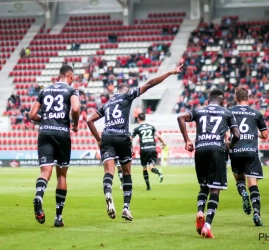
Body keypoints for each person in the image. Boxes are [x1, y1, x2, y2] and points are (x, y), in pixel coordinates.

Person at [87, 65, 183, 221]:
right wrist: (169, 72)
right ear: (127, 90)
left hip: (107, 136)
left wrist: (99, 140)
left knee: (109, 172)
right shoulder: (127, 95)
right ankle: (126, 208)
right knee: (126, 173)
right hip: (122, 137)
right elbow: (150, 83)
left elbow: (89, 120)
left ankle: (108, 193)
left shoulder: (107, 104)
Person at [177, 89, 240, 238]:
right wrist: (229, 145)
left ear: (208, 101)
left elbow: (180, 117)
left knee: (203, 186)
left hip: (200, 149)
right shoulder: (227, 113)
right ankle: (207, 226)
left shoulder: (199, 111)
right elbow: (237, 134)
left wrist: (187, 140)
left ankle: (200, 211)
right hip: (216, 150)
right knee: (215, 189)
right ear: (223, 101)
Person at [29, 65, 80, 227]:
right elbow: (76, 108)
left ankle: (39, 196)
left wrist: (45, 120)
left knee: (45, 171)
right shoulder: (71, 90)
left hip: (44, 133)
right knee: (62, 176)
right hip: (61, 134)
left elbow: (31, 114)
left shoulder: (44, 90)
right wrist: (76, 124)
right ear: (70, 76)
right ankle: (58, 217)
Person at [228, 87, 268, 226]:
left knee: (240, 179)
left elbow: (225, 132)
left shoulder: (230, 112)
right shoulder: (256, 113)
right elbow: (265, 135)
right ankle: (256, 213)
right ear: (248, 98)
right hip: (251, 152)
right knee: (253, 185)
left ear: (235, 98)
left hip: (235, 151)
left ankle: (243, 192)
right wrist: (252, 132)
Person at [131, 113, 166, 190]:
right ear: (145, 118)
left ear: (138, 119)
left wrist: (132, 149)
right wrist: (163, 143)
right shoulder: (151, 127)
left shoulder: (137, 128)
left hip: (144, 149)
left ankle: (148, 187)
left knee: (144, 168)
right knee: (151, 167)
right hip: (152, 149)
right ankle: (157, 171)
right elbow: (159, 136)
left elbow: (130, 138)